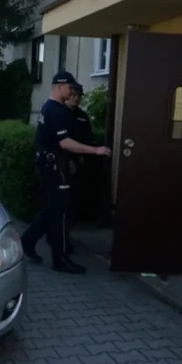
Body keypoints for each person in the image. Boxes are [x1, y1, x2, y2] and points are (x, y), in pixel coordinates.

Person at [20, 71, 111, 275]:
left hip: (53, 166)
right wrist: (96, 150)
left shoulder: (52, 107)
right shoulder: (55, 110)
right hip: (54, 169)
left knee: (51, 210)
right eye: (70, 88)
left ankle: (27, 241)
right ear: (60, 87)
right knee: (60, 213)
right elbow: (65, 143)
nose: (72, 92)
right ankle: (59, 260)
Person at [63, 82, 94, 252]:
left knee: (71, 204)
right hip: (62, 164)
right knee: (60, 205)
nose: (75, 99)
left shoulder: (82, 116)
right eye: (73, 95)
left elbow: (88, 139)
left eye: (78, 96)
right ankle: (59, 240)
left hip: (79, 163)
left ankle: (65, 238)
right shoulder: (59, 114)